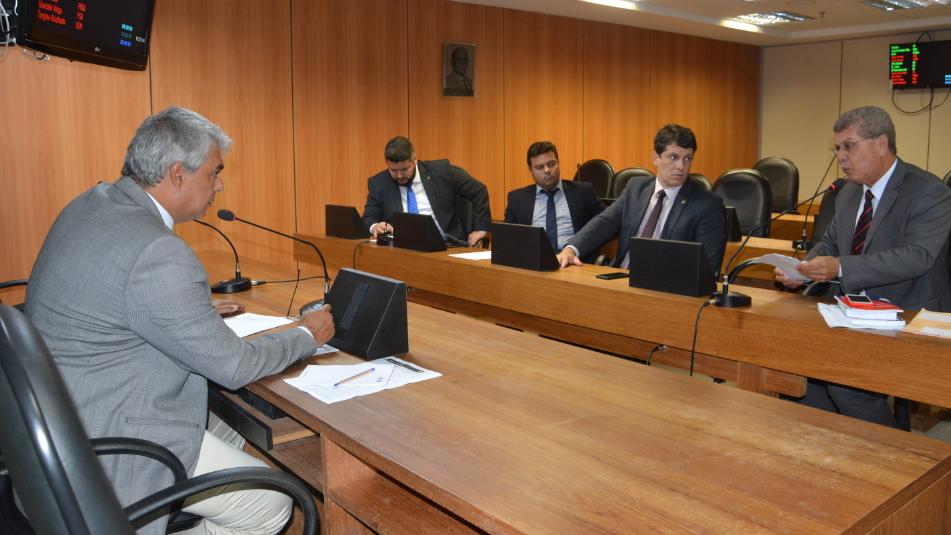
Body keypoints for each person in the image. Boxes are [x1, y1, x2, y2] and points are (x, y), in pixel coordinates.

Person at [25, 106, 335, 535]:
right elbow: (235, 365)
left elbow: (114, 294)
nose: (219, 185)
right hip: (112, 443)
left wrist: (188, 310)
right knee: (272, 503)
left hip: (57, 427)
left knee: (238, 428)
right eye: (214, 173)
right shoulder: (157, 251)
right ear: (177, 175)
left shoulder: (90, 204)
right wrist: (306, 334)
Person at [775, 106, 951, 428]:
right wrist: (802, 269)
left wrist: (840, 268)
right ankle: (840, 448)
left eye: (849, 146)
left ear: (881, 144)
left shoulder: (929, 191)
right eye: (837, 148)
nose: (841, 157)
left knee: (846, 384)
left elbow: (917, 256)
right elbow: (831, 242)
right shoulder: (848, 193)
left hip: (908, 314)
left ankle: (893, 453)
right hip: (853, 312)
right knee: (800, 372)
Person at [556, 124, 725, 273]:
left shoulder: (707, 205)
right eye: (674, 157)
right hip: (620, 278)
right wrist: (571, 249)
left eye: (687, 158)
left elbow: (706, 267)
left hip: (665, 288)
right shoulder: (636, 189)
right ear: (655, 158)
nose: (681, 166)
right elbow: (605, 222)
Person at [364, 136, 491, 246]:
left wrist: (482, 228)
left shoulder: (441, 171)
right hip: (402, 248)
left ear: (414, 160)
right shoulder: (379, 183)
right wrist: (375, 227)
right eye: (393, 170)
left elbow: (479, 190)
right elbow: (369, 217)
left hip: (447, 245)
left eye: (404, 170)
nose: (399, 175)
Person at [504, 141, 605, 259]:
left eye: (551, 164)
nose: (547, 170)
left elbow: (606, 221)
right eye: (540, 167)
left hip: (575, 261)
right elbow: (506, 236)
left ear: (558, 162)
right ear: (530, 170)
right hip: (533, 261)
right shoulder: (517, 199)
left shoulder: (583, 192)